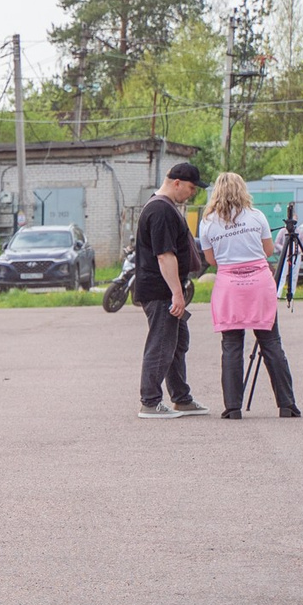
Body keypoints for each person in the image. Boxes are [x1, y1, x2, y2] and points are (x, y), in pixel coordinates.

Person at [198, 172, 299, 419]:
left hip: (229, 285)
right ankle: (286, 404)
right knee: (271, 343)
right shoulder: (256, 216)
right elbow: (267, 250)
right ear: (243, 190)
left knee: (231, 345)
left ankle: (233, 407)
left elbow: (210, 259)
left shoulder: (208, 222)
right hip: (259, 283)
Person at [133, 161, 207, 418]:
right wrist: (176, 293)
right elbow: (165, 256)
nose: (192, 193)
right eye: (191, 188)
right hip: (160, 290)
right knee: (161, 344)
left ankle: (181, 398)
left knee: (177, 343)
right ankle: (150, 402)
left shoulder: (163, 207)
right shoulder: (161, 211)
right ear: (176, 183)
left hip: (165, 289)